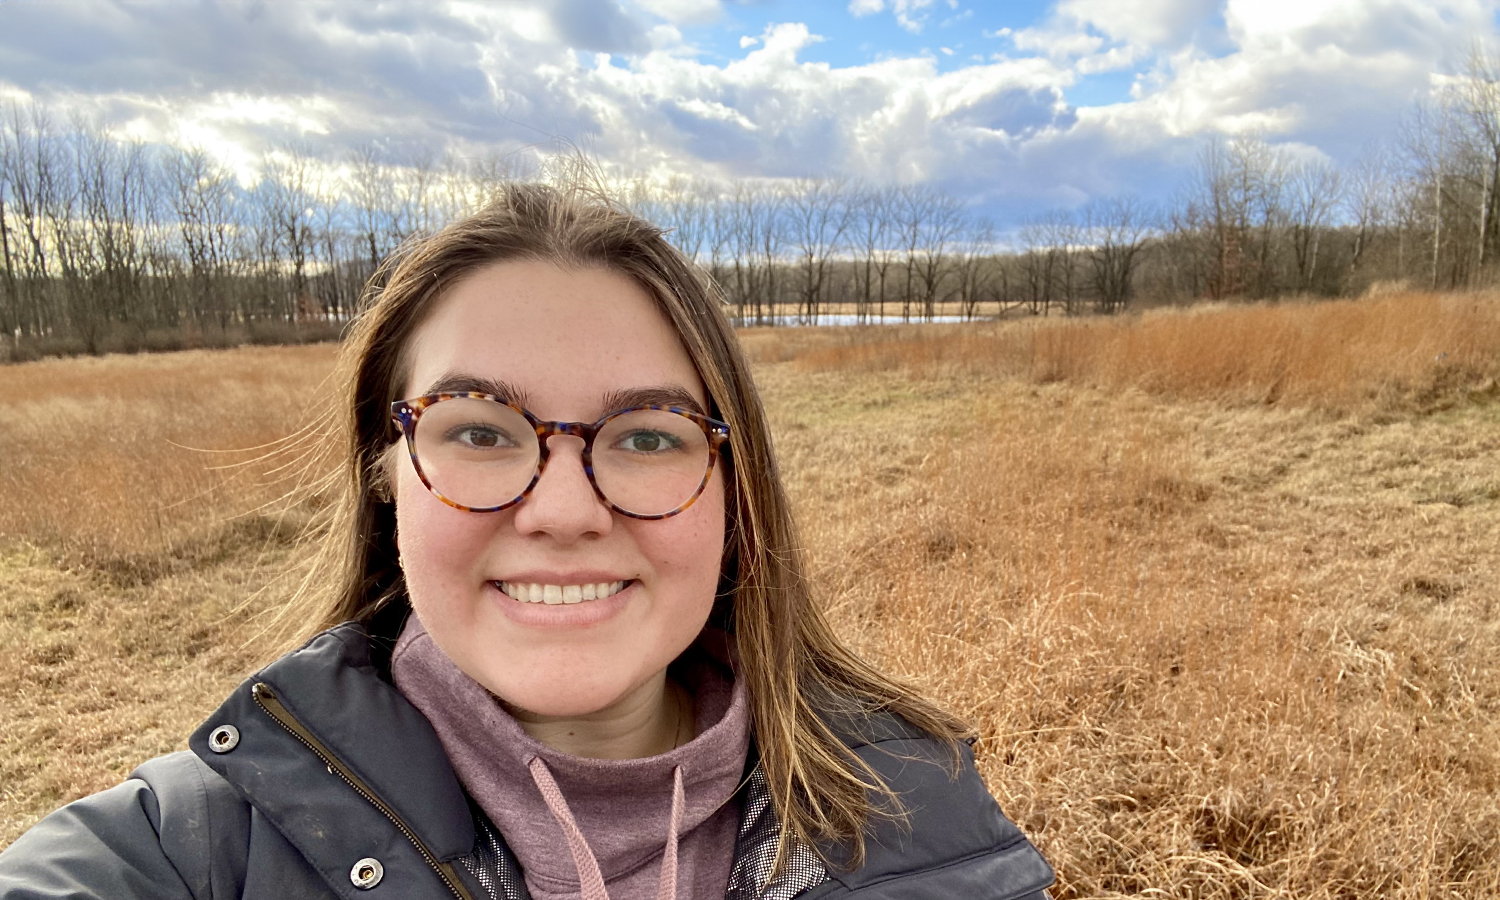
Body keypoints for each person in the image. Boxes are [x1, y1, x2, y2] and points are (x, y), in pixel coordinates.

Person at [0, 182, 1054, 900]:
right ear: (384, 477)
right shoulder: (197, 853)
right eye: (478, 430)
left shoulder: (920, 806)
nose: (561, 510)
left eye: (647, 435)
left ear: (736, 496)